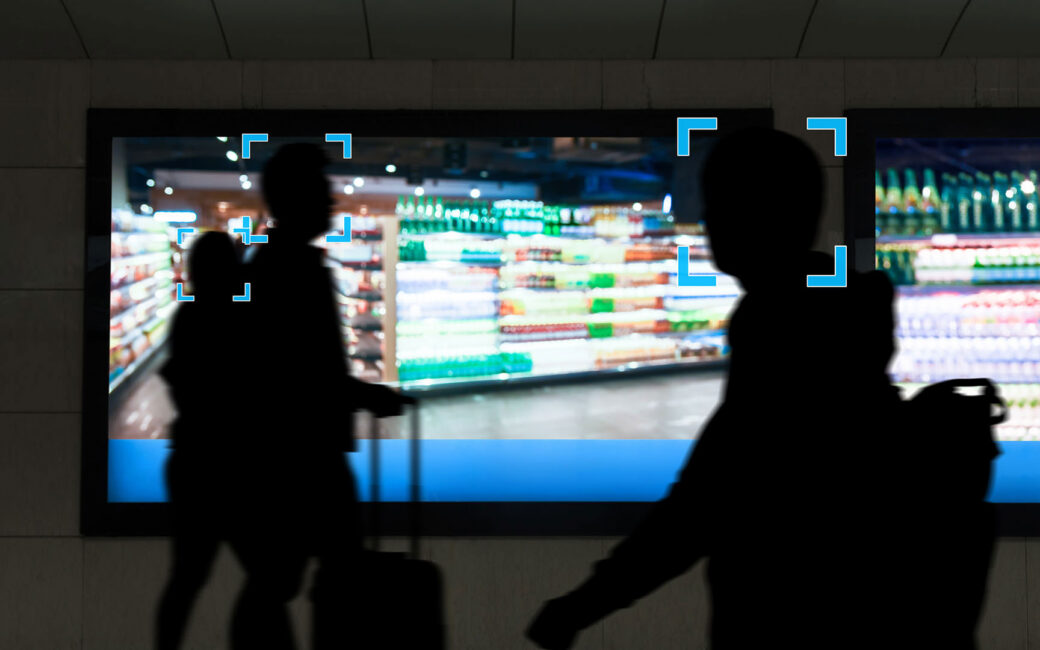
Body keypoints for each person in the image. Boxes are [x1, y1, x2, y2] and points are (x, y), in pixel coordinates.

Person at [526, 128, 919, 650]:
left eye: (716, 204)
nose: (706, 222)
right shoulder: (834, 308)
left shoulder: (784, 324)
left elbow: (705, 500)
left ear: (751, 214)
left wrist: (580, 606)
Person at [226, 142, 412, 650]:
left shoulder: (271, 263)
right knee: (308, 578)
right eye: (322, 191)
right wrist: (369, 397)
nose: (331, 202)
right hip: (303, 458)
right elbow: (305, 372)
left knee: (281, 581)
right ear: (297, 198)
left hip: (286, 457)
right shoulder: (294, 270)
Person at [156, 231, 243, 650]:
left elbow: (178, 387)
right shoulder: (238, 320)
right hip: (233, 468)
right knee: (268, 577)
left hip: (190, 462)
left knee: (187, 578)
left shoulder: (186, 317)